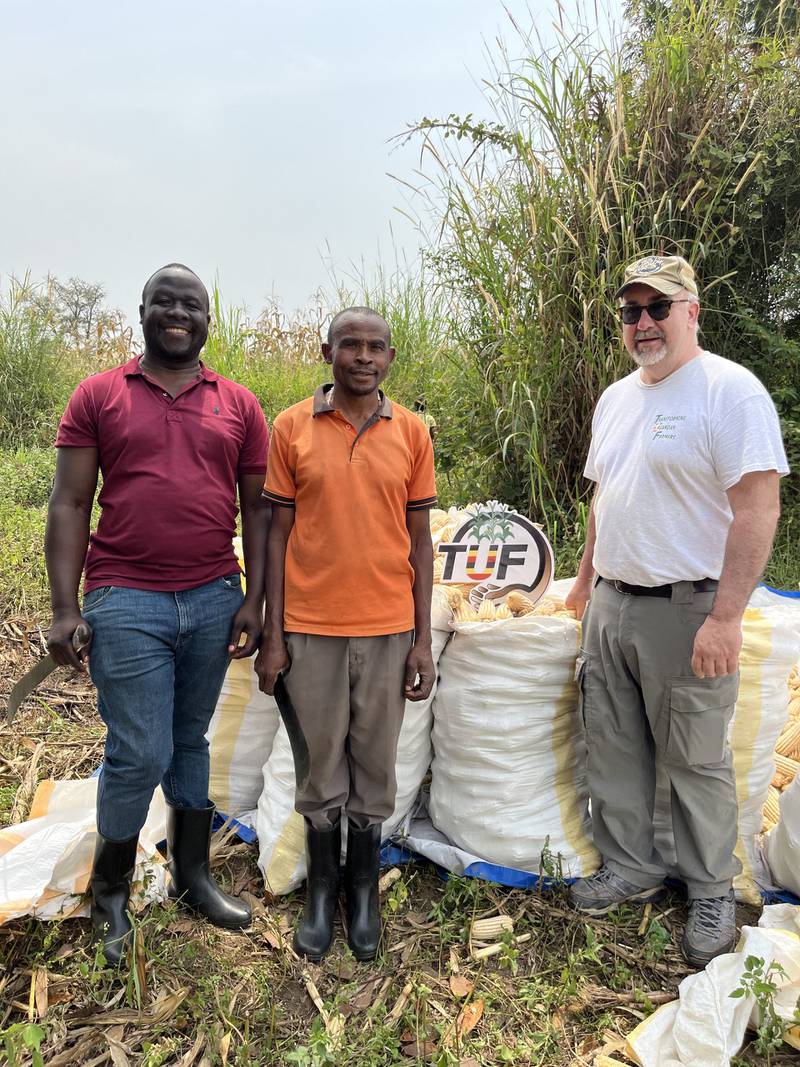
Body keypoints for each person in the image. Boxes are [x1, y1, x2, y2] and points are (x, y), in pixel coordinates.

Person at [565, 254, 789, 967]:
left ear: (691, 311)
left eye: (658, 308)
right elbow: (607, 497)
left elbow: (758, 508)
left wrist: (726, 616)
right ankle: (629, 866)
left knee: (694, 756)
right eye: (631, 311)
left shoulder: (730, 392)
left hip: (686, 608)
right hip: (612, 601)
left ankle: (710, 889)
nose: (643, 323)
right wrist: (583, 581)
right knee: (616, 741)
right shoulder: (616, 398)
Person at [45, 263, 270, 964]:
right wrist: (61, 607)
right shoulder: (99, 394)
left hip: (211, 596)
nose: (178, 313)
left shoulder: (237, 403)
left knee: (190, 739)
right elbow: (70, 502)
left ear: (209, 318)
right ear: (140, 310)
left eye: (192, 304)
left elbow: (260, 510)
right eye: (164, 301)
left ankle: (192, 876)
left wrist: (254, 599)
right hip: (125, 596)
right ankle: (108, 889)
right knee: (138, 749)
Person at [255, 306, 437, 962]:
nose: (364, 356)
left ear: (391, 356)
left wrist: (421, 639)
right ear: (326, 349)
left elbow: (420, 541)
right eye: (351, 345)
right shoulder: (292, 427)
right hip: (310, 628)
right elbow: (275, 533)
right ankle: (321, 888)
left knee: (375, 760)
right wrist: (273, 633)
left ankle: (363, 888)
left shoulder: (411, 432)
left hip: (389, 629)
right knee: (319, 761)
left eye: (377, 347)